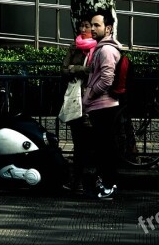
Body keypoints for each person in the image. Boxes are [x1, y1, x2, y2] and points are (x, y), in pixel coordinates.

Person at [82, 8, 122, 199]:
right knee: (103, 148)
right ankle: (105, 183)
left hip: (103, 106)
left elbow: (106, 79)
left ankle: (109, 186)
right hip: (101, 106)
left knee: (105, 149)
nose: (93, 29)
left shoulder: (106, 50)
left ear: (108, 29)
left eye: (97, 25)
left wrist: (90, 94)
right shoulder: (101, 48)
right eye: (92, 25)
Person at [61, 15, 96, 195]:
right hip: (76, 99)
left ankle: (91, 180)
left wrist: (77, 69)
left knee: (90, 144)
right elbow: (64, 69)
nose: (83, 30)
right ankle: (77, 180)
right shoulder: (74, 46)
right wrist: (75, 69)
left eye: (87, 26)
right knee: (78, 143)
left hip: (91, 100)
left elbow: (92, 71)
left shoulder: (96, 48)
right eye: (81, 26)